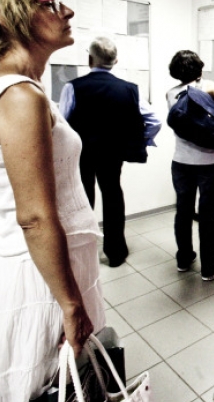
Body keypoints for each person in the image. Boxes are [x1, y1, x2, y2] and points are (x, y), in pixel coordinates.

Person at [0, 0, 105, 401]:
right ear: (6, 16)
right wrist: (70, 303)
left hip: (41, 267)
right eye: (47, 3)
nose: (66, 10)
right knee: (47, 389)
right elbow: (35, 217)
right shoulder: (20, 96)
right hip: (42, 277)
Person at [59, 36, 161, 267]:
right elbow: (154, 121)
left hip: (82, 154)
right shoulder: (130, 89)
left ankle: (83, 253)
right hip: (113, 153)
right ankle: (115, 253)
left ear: (89, 59)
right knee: (113, 195)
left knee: (83, 199)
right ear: (115, 61)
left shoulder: (72, 87)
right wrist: (140, 141)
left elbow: (62, 125)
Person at [166, 50, 214, 281]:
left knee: (183, 211)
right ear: (199, 68)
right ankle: (210, 267)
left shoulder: (170, 93)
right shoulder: (206, 86)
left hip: (180, 162)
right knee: (207, 215)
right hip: (209, 162)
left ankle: (184, 258)